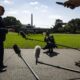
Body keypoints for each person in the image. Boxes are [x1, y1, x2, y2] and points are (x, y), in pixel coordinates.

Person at [0, 5, 8, 72]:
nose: (4, 11)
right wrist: (6, 30)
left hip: (1, 39)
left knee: (1, 53)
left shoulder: (1, 18)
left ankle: (1, 64)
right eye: (3, 10)